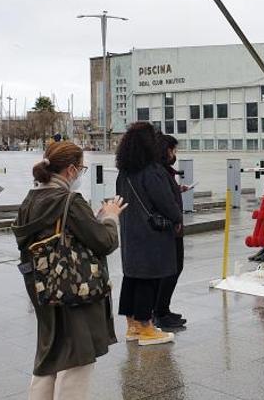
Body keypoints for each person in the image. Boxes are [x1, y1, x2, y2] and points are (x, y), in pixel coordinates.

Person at [12, 141, 126, 399]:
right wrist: (110, 217)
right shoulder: (70, 201)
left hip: (40, 285)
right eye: (82, 169)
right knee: (77, 358)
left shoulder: (30, 199)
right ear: (71, 170)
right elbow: (104, 241)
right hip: (71, 287)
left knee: (49, 354)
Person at [115, 122, 182, 345]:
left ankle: (132, 326)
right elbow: (167, 204)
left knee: (132, 278)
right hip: (151, 234)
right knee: (148, 279)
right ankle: (146, 328)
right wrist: (176, 217)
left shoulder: (124, 172)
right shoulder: (152, 171)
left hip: (130, 231)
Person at [153, 134, 188, 329]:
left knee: (173, 269)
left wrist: (177, 189)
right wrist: (176, 219)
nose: (174, 154)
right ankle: (160, 312)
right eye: (173, 150)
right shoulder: (159, 172)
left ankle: (162, 310)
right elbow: (164, 200)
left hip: (172, 228)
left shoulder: (164, 171)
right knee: (172, 269)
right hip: (170, 229)